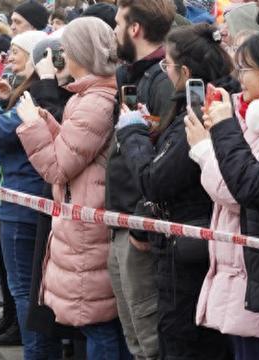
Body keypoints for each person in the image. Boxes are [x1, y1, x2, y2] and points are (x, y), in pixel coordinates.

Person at [115, 23, 236, 359]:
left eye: (166, 65)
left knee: (183, 342)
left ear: (184, 71)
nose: (162, 72)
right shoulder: (204, 106)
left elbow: (156, 178)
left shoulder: (200, 116)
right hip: (191, 248)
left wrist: (132, 134)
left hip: (188, 254)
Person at [16, 17, 131, 360]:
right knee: (95, 322)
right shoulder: (89, 96)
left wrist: (33, 125)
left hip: (87, 229)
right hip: (83, 223)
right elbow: (71, 150)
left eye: (66, 48)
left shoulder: (96, 100)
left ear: (82, 51)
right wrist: (48, 123)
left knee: (98, 323)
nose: (61, 55)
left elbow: (57, 167)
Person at [186, 29, 259, 360]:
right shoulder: (258, 122)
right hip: (252, 276)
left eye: (247, 70)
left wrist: (207, 145)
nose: (238, 78)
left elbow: (245, 188)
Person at [0, 29, 63, 359]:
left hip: (22, 206)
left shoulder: (40, 97)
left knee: (24, 289)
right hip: (27, 201)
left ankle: (37, 354)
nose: (8, 57)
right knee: (31, 290)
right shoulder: (41, 92)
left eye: (17, 50)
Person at [106, 1, 176, 358]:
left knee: (148, 336)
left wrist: (142, 222)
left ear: (135, 29)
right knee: (133, 332)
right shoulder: (132, 75)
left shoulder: (162, 81)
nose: (113, 32)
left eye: (118, 23)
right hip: (121, 219)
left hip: (139, 228)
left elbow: (169, 158)